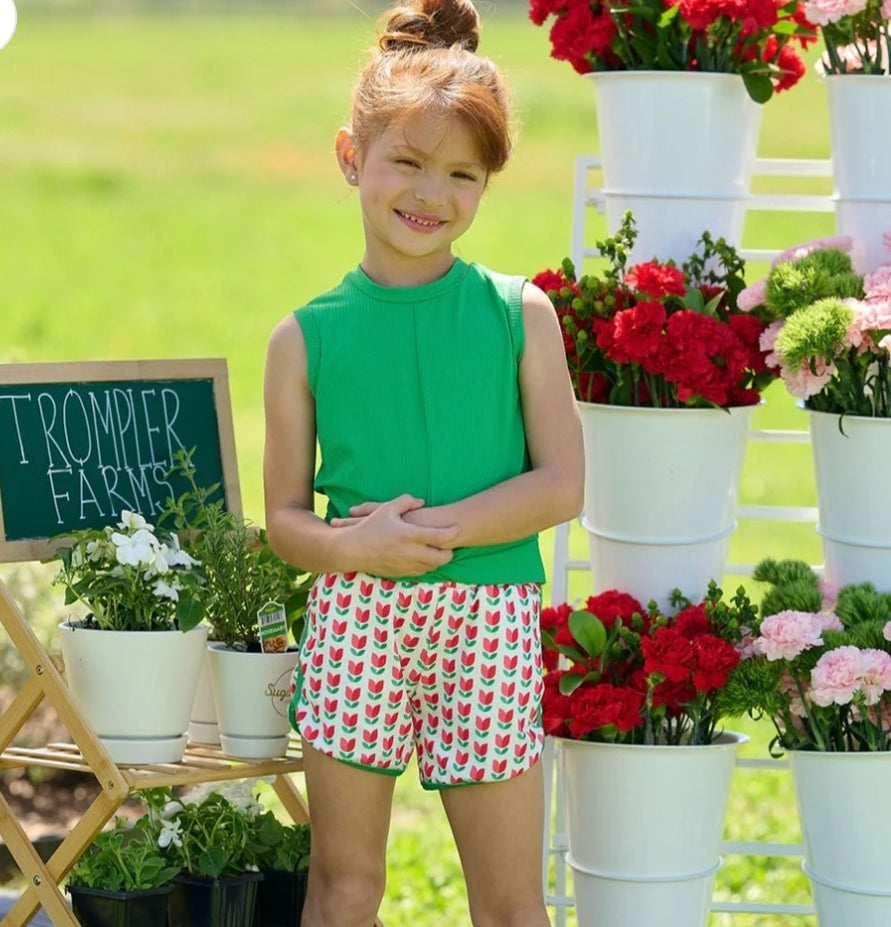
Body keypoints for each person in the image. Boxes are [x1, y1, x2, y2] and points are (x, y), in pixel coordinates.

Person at [263, 0, 584, 924]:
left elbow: (560, 484)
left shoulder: (520, 315)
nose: (429, 193)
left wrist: (417, 537)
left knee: (512, 902)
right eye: (406, 160)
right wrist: (360, 551)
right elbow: (286, 520)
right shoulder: (305, 339)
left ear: (486, 184)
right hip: (356, 615)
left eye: (460, 173)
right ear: (348, 154)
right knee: (345, 885)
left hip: (489, 621)